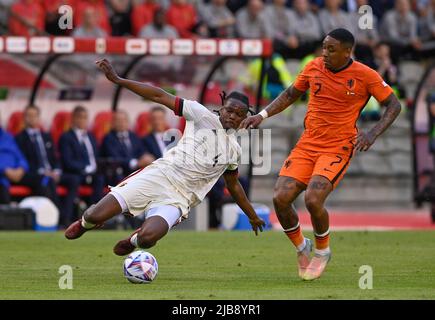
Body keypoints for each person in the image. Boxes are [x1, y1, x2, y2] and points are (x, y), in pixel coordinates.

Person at [240, 28, 402, 281]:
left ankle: (323, 251)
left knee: (313, 200)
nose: (324, 53)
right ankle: (302, 247)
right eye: (324, 47)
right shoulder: (314, 67)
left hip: (338, 146)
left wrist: (372, 133)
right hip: (308, 144)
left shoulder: (365, 75)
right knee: (280, 198)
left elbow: (394, 104)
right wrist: (261, 115)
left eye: (331, 49)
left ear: (348, 51)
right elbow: (291, 94)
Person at [64, 59, 265, 256]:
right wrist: (119, 80)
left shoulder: (234, 150)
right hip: (159, 176)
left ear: (244, 118)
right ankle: (85, 224)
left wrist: (252, 215)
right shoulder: (201, 115)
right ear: (221, 108)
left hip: (179, 198)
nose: (232, 116)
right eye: (229, 110)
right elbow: (159, 95)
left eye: (238, 114)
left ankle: (133, 240)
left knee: (147, 239)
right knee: (93, 214)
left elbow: (233, 185)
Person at [15, 105, 80, 227]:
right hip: (34, 174)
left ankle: (68, 217)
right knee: (46, 181)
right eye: (28, 116)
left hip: (51, 173)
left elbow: (55, 157)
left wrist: (56, 170)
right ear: (24, 119)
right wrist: (43, 172)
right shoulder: (19, 138)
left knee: (74, 180)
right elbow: (22, 161)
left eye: (34, 116)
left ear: (39, 118)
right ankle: (59, 218)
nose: (32, 119)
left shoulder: (46, 136)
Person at [59, 106, 105, 204]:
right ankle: (68, 217)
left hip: (94, 173)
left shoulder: (91, 137)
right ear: (73, 119)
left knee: (102, 178)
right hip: (77, 172)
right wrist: (85, 168)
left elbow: (96, 156)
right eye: (79, 117)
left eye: (85, 117)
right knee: (75, 180)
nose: (82, 120)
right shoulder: (66, 137)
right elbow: (67, 161)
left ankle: (97, 211)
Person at [101, 110, 151, 185]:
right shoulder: (108, 138)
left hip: (136, 171)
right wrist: (135, 163)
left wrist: (146, 156)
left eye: (124, 120)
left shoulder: (133, 136)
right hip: (119, 172)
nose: (122, 123)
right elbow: (114, 158)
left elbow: (141, 150)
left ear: (128, 122)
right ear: (113, 123)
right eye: (118, 120)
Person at [0, 116, 28, 204]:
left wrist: (21, 168)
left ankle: (61, 216)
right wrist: (5, 170)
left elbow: (20, 157)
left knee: (43, 181)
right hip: (2, 176)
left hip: (17, 174)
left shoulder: (8, 137)